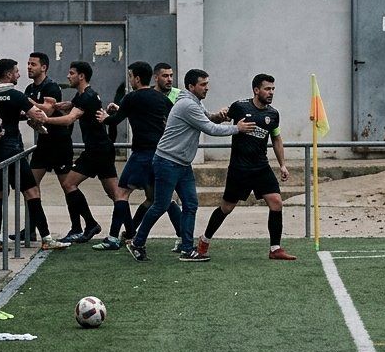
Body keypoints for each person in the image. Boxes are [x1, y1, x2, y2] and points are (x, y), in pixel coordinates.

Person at [126, 68, 253, 263]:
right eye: (203, 85)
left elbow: (209, 118)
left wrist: (221, 116)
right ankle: (137, 242)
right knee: (160, 205)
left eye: (207, 84)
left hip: (182, 164)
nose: (207, 88)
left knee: (191, 204)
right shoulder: (188, 105)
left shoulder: (194, 103)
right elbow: (209, 128)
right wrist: (237, 128)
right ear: (191, 86)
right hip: (167, 161)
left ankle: (187, 249)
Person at [194, 73, 296, 260]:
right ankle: (204, 240)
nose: (271, 92)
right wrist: (221, 114)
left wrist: (283, 165)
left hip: (261, 167)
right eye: (267, 89)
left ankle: (275, 249)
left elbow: (276, 138)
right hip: (239, 169)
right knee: (226, 208)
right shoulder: (240, 107)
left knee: (276, 202)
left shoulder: (273, 114)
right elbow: (218, 120)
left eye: (273, 89)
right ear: (256, 90)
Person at [90, 61, 184, 252]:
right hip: (160, 155)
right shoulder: (161, 99)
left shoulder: (131, 98)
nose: (130, 79)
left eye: (131, 76)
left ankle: (113, 238)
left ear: (137, 78)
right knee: (162, 199)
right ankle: (183, 237)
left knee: (122, 193)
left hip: (141, 154)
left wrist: (104, 118)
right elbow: (172, 120)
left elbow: (116, 120)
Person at [37, 61, 119, 244]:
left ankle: (92, 224)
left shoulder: (87, 96)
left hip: (97, 152)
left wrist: (46, 119)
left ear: (81, 76)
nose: (68, 76)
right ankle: (127, 231)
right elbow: (68, 106)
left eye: (71, 73)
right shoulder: (81, 95)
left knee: (69, 184)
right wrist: (48, 105)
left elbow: (69, 119)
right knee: (116, 195)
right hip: (100, 150)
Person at [0, 58, 58, 249]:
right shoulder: (16, 95)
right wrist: (48, 109)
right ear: (9, 74)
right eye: (17, 71)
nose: (20, 74)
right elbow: (40, 115)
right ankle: (46, 238)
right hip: (12, 149)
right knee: (32, 191)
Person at [21, 52, 79, 245]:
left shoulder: (51, 86)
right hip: (43, 143)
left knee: (68, 185)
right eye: (28, 64)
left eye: (33, 64)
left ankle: (79, 226)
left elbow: (48, 110)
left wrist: (28, 104)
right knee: (30, 185)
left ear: (43, 67)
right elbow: (33, 115)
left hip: (59, 143)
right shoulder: (30, 88)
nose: (29, 67)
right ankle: (30, 229)